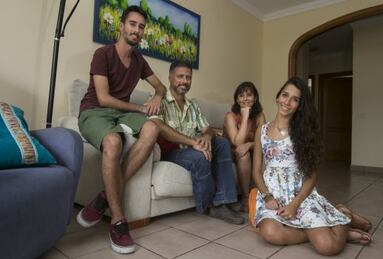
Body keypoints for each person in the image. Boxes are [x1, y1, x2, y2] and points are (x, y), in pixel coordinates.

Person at [76, 6, 166, 254]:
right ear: (121, 26)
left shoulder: (139, 61)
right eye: (133, 24)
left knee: (152, 128)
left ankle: (105, 194)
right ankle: (117, 221)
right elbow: (103, 98)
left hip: (121, 113)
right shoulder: (102, 54)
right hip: (94, 111)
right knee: (114, 143)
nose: (137, 30)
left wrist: (158, 96)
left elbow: (161, 87)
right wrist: (139, 106)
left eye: (141, 27)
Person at [250, 77, 372, 256]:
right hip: (272, 194)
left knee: (328, 247)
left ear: (299, 105)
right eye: (285, 95)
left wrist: (294, 205)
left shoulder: (304, 132)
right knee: (269, 232)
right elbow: (256, 171)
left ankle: (343, 214)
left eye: (295, 99)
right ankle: (324, 229)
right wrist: (268, 197)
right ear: (278, 97)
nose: (288, 102)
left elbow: (312, 176)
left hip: (301, 195)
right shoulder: (262, 130)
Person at [150, 61, 244, 225]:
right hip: (171, 152)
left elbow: (208, 129)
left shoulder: (193, 105)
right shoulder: (159, 101)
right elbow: (159, 128)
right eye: (180, 76)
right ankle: (211, 205)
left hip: (192, 148)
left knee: (221, 143)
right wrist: (192, 142)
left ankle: (227, 199)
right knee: (199, 156)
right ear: (170, 77)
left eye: (188, 77)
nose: (184, 81)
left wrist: (207, 137)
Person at [223, 82, 265, 212]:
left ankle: (264, 195)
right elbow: (237, 143)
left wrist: (250, 144)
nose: (245, 98)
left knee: (266, 154)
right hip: (232, 152)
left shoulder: (259, 116)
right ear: (236, 99)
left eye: (249, 95)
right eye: (241, 96)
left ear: (255, 98)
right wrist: (245, 117)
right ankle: (245, 198)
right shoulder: (230, 116)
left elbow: (264, 140)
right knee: (243, 154)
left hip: (251, 149)